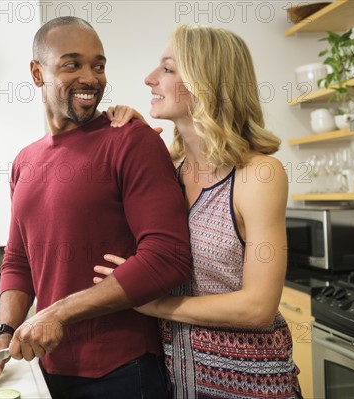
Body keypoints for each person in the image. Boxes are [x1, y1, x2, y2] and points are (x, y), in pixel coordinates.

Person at [0, 17, 193, 399]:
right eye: (72, 64)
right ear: (38, 73)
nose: (91, 77)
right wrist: (4, 332)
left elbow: (168, 257)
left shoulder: (131, 141)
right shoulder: (25, 161)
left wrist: (57, 313)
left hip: (123, 372)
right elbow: (19, 260)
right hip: (48, 370)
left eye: (98, 66)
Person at [96, 24, 303, 399]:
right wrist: (134, 139)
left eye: (168, 69)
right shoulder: (166, 169)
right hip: (179, 385)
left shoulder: (257, 175)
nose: (149, 79)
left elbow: (258, 307)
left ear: (207, 82)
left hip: (255, 388)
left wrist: (155, 304)